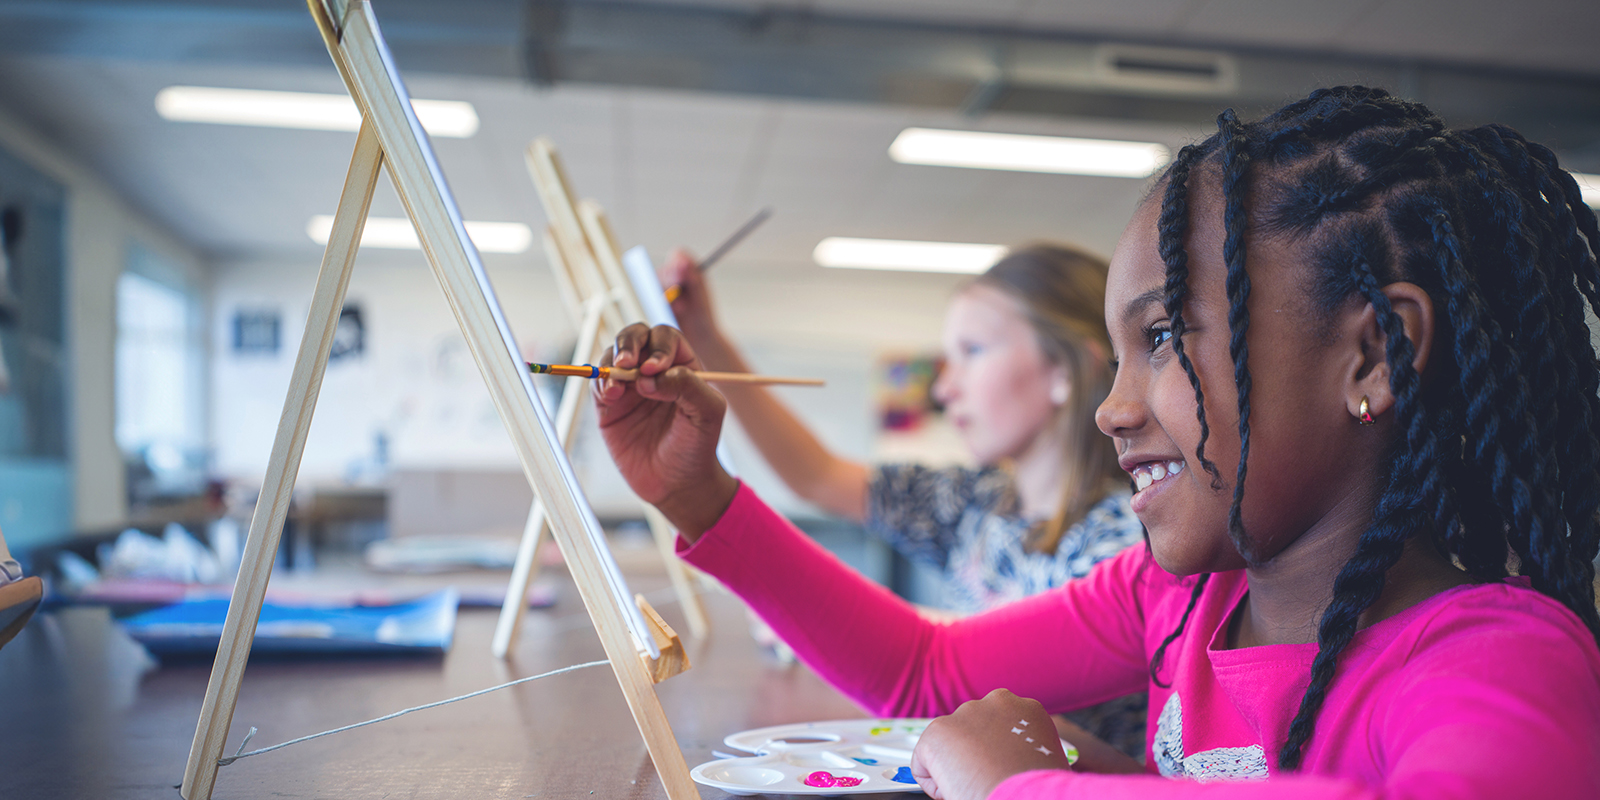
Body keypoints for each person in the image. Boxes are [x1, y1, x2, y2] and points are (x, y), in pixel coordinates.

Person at [595, 86, 1600, 799]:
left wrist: (1022, 786)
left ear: (1372, 355)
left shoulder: (1500, 659)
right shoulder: (1172, 599)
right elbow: (926, 670)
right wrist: (703, 500)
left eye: (1162, 337)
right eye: (1119, 353)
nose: (1111, 408)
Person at [664, 244, 1147, 760]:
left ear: (1064, 372)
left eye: (973, 351)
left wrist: (830, 632)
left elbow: (976, 676)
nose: (944, 388)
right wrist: (709, 342)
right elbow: (817, 474)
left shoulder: (1123, 541)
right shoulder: (976, 503)